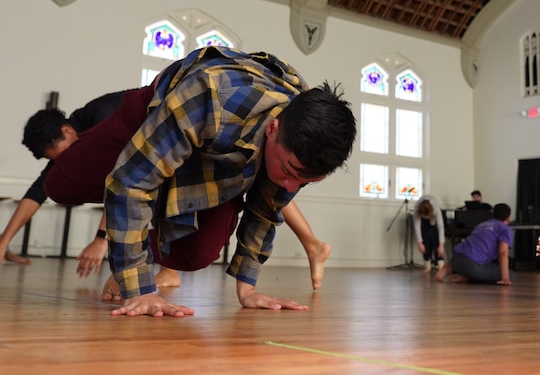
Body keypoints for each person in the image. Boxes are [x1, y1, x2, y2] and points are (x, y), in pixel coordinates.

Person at [46, 46, 355, 317]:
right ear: (274, 128)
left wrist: (247, 290)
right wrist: (137, 286)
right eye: (288, 171)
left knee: (197, 255)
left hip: (217, 158)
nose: (290, 187)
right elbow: (130, 182)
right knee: (59, 186)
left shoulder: (306, 143)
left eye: (303, 181)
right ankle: (127, 235)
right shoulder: (210, 96)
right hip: (158, 115)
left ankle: (131, 242)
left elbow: (267, 207)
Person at [0, 91, 127, 267]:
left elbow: (122, 177)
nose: (65, 163)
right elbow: (37, 191)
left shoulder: (102, 117)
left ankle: (169, 270)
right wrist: (2, 243)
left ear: (66, 131)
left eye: (64, 155)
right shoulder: (70, 140)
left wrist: (101, 239)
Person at [435, 202, 515, 285]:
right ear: (508, 218)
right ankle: (469, 278)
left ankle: (449, 269)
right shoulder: (505, 229)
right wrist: (505, 278)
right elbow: (503, 253)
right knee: (512, 275)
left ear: (492, 215)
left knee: (478, 259)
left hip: (455, 258)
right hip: (471, 265)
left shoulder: (481, 225)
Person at [413, 194, 445, 272]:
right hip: (424, 222)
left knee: (435, 237)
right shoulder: (417, 208)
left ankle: (440, 262)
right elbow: (417, 226)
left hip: (433, 218)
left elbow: (440, 226)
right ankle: (427, 263)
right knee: (425, 238)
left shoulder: (435, 208)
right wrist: (420, 243)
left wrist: (441, 245)